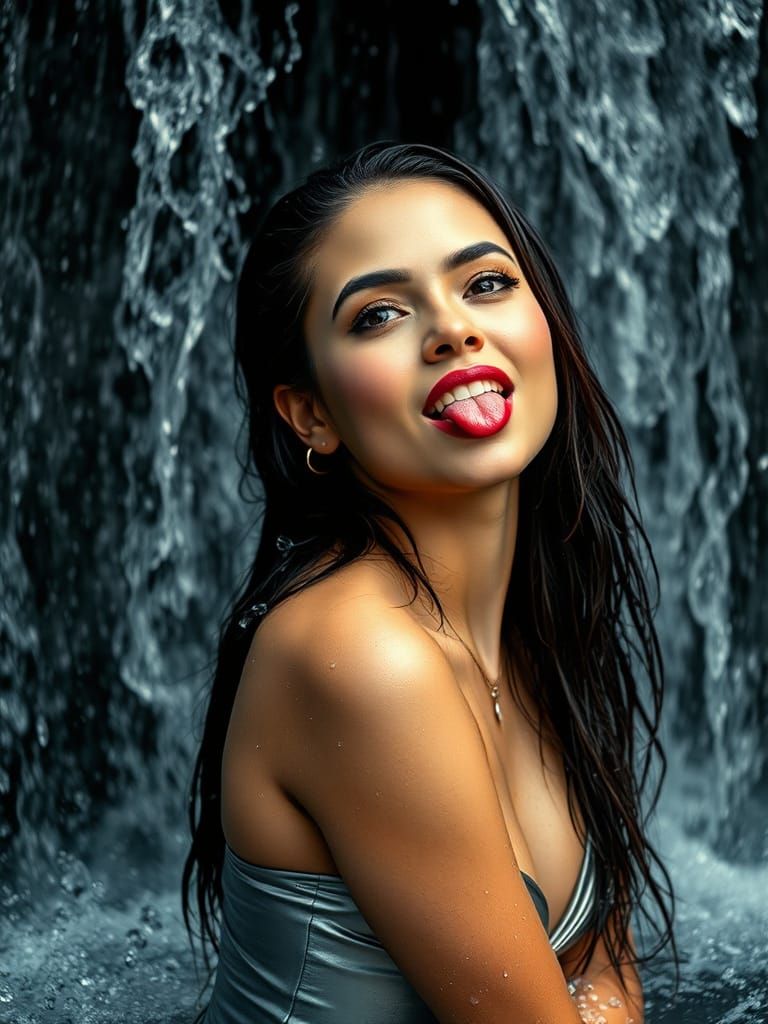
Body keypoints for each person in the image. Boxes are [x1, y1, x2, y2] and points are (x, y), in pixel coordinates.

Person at [182, 140, 678, 1023]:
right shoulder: (358, 654)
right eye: (377, 315)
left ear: (548, 325)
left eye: (486, 283)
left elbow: (607, 971)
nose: (453, 328)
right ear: (312, 414)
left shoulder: (541, 617)